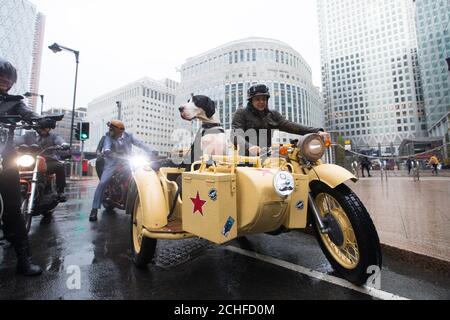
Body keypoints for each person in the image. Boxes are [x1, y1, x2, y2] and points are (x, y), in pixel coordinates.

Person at [0, 58, 42, 276]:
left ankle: (24, 260)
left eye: (8, 78)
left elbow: (28, 114)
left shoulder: (15, 102)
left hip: (5, 160)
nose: (5, 80)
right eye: (1, 75)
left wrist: (40, 120)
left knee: (13, 210)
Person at [232, 84, 329, 155]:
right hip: (245, 158)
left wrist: (317, 131)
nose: (261, 102)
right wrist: (249, 147)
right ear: (251, 101)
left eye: (264, 99)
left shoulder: (272, 115)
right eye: (257, 99)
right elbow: (237, 136)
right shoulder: (241, 113)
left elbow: (290, 125)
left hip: (267, 155)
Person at [88, 120, 155, 222]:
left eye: (112, 129)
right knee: (103, 182)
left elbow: (140, 143)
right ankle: (94, 209)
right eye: (110, 129)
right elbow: (106, 147)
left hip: (127, 162)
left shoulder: (129, 136)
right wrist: (108, 152)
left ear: (119, 130)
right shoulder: (108, 137)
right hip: (112, 163)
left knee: (141, 174)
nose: (110, 131)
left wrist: (151, 151)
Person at [15, 118, 70, 202]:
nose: (46, 130)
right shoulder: (28, 135)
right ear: (38, 128)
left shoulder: (53, 136)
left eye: (48, 128)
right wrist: (10, 142)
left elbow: (59, 140)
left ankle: (60, 191)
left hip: (47, 160)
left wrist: (63, 144)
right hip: (29, 160)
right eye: (44, 128)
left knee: (59, 166)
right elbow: (17, 141)